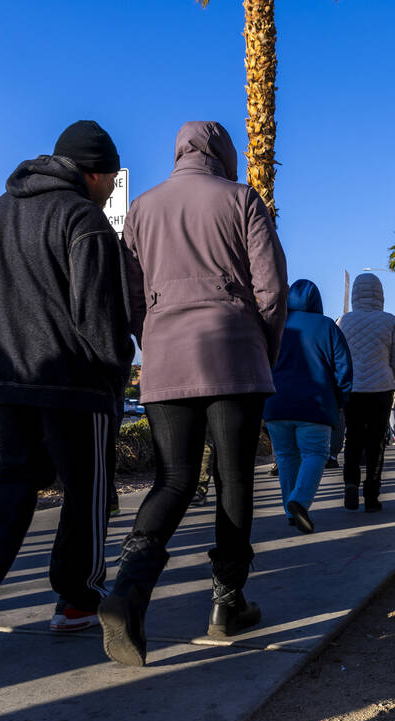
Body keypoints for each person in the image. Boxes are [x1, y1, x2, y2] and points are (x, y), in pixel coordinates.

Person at [0, 121, 138, 657]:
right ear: (93, 172)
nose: (113, 188)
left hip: (7, 377)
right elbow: (99, 313)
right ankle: (78, 601)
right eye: (111, 178)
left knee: (17, 475)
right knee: (87, 487)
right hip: (75, 380)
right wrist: (116, 370)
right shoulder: (83, 219)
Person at [99, 120, 287, 667]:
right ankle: (227, 603)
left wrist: (154, 337)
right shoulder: (241, 198)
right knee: (234, 479)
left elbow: (131, 297)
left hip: (167, 357)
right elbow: (271, 289)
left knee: (174, 478)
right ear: (224, 152)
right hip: (234, 354)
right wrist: (263, 348)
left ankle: (129, 593)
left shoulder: (143, 209)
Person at [264, 279, 352, 533]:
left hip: (276, 404)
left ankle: (290, 511)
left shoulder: (276, 327)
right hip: (314, 405)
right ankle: (299, 502)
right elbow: (343, 369)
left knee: (285, 456)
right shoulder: (327, 327)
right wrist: (341, 400)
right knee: (315, 454)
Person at [337, 272, 395, 512]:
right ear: (380, 294)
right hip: (381, 390)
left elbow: (339, 357)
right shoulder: (390, 321)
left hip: (353, 390)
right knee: (376, 443)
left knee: (353, 438)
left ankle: (350, 483)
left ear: (355, 293)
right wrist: (387, 375)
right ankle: (372, 495)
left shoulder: (343, 320)